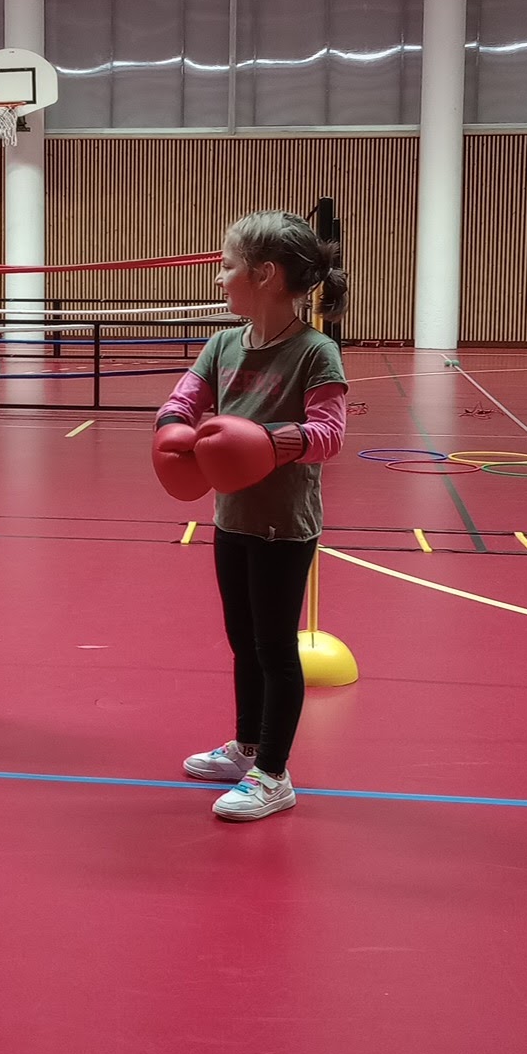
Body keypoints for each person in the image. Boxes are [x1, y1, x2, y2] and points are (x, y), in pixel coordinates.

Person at [153, 211, 348, 823]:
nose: (218, 279)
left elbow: (330, 433)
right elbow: (183, 398)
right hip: (231, 516)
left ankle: (274, 774)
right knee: (243, 640)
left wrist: (265, 442)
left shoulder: (315, 352)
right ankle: (247, 746)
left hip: (284, 525)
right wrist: (172, 429)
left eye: (227, 266)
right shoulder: (223, 344)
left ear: (264, 275)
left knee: (275, 648)